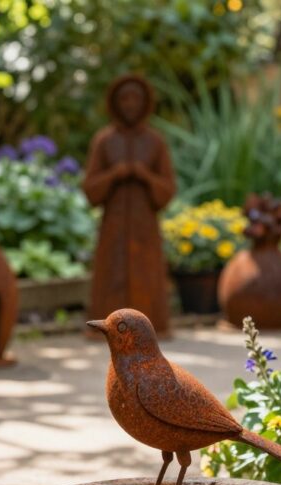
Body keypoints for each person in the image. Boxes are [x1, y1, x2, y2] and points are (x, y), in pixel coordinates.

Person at [83, 74, 176, 336]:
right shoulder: (105, 140)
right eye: (124, 97)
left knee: (146, 274)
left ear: (146, 102)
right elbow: (90, 189)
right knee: (111, 273)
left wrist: (144, 175)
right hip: (113, 226)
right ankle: (107, 328)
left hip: (144, 226)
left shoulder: (155, 142)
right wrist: (115, 174)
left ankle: (152, 327)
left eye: (136, 97)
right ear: (114, 102)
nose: (130, 103)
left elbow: (168, 190)